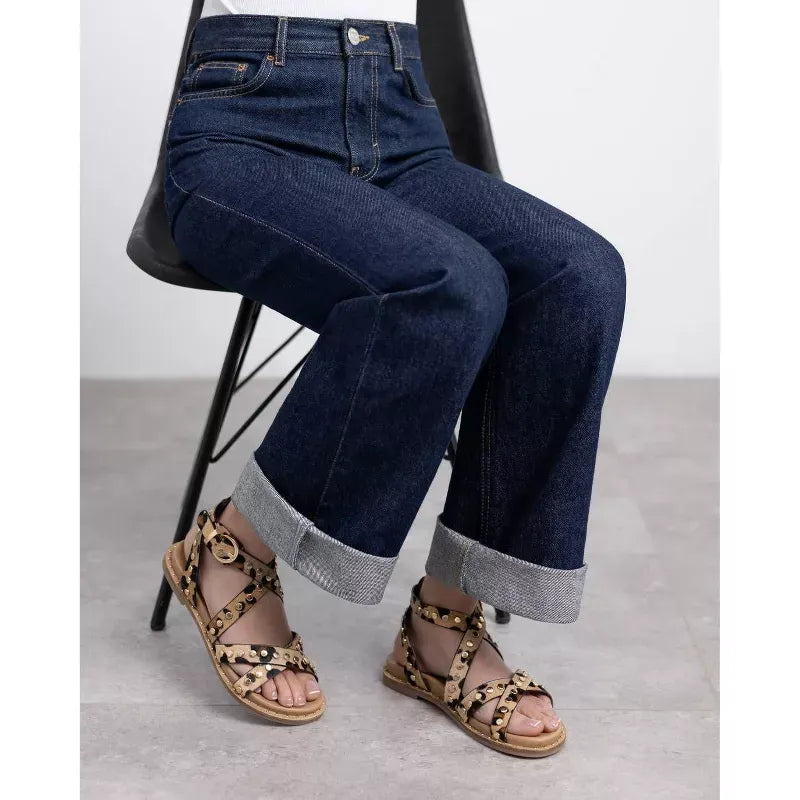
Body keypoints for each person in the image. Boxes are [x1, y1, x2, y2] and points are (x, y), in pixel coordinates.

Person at [161, 0, 625, 757]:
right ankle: (233, 547)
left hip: (401, 114)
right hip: (246, 119)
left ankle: (443, 621)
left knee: (581, 278)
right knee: (449, 287)